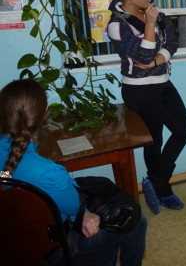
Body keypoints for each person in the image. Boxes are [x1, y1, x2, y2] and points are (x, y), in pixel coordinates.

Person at [0, 79, 147, 265]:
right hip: (55, 247)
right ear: (44, 113)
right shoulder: (48, 172)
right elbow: (73, 207)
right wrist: (85, 214)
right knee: (137, 223)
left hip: (12, 238)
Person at [107, 0, 186, 214]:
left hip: (162, 82)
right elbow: (142, 56)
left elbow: (172, 43)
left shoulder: (154, 13)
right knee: (154, 140)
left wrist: (157, 60)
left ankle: (157, 180)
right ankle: (163, 189)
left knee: (184, 131)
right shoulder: (117, 24)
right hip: (139, 90)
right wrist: (150, 26)